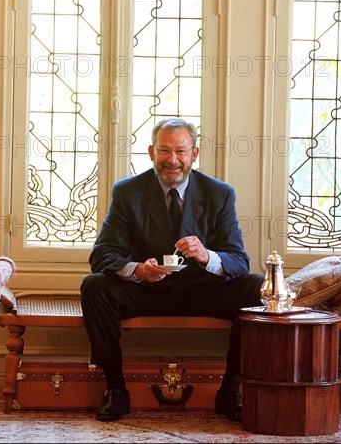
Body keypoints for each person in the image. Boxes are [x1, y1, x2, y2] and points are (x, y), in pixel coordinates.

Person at [81, 117, 264, 422]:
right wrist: (137, 269)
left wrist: (207, 256)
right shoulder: (127, 192)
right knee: (95, 286)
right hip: (147, 290)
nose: (173, 160)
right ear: (152, 153)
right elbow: (102, 254)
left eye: (180, 151)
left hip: (203, 292)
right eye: (165, 151)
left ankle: (230, 388)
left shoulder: (220, 193)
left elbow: (239, 262)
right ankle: (115, 389)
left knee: (256, 288)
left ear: (194, 154)